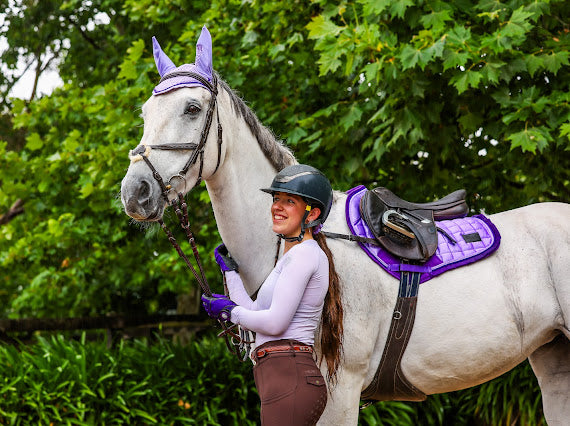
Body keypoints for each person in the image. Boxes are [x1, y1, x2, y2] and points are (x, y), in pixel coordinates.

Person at [201, 164, 344, 426]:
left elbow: (275, 323)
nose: (277, 206)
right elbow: (256, 313)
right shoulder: (290, 258)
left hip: (290, 378)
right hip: (282, 379)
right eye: (276, 199)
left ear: (312, 214)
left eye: (289, 201)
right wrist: (230, 273)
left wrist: (229, 311)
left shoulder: (305, 255)